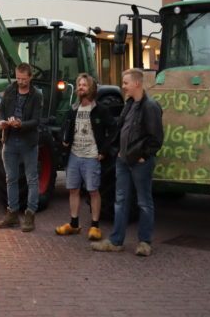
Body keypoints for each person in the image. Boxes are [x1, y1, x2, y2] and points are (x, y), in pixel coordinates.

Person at [93, 68, 163, 257]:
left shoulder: (150, 106)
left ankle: (144, 243)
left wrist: (144, 156)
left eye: (125, 83)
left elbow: (156, 138)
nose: (123, 87)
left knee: (144, 202)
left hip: (139, 162)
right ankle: (116, 241)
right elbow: (120, 129)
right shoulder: (129, 104)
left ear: (137, 84)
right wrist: (115, 151)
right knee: (121, 201)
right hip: (123, 161)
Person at [55, 73, 115, 241]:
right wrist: (64, 140)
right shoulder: (73, 109)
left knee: (93, 191)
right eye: (79, 85)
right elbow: (63, 129)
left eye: (84, 85)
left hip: (91, 157)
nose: (80, 87)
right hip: (74, 155)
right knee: (73, 190)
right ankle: (74, 224)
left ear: (91, 89)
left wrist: (103, 150)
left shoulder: (100, 110)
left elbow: (113, 130)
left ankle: (95, 226)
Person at [0, 63, 43, 233]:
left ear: (30, 77)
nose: (20, 82)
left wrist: (21, 124)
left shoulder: (36, 95)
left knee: (31, 179)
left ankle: (30, 214)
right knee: (11, 178)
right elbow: (0, 111)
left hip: (28, 141)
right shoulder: (9, 90)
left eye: (23, 79)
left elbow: (37, 121)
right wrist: (1, 122)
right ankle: (12, 213)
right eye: (18, 78)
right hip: (10, 140)